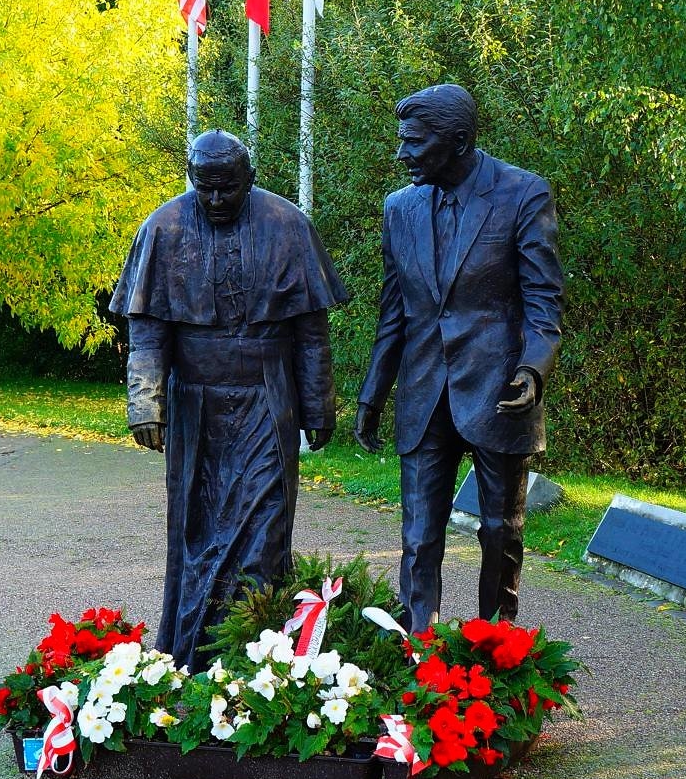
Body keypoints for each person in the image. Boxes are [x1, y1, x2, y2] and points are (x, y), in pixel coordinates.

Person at [109, 132, 348, 668]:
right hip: (196, 402)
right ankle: (195, 652)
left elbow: (311, 332)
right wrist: (146, 403)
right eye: (205, 188)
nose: (215, 200)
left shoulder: (287, 225)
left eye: (228, 189)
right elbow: (146, 332)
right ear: (192, 179)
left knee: (264, 524)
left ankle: (259, 656)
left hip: (267, 396)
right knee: (198, 528)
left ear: (249, 179)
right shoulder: (164, 227)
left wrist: (317, 406)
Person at [354, 85, 564, 630]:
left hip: (499, 390)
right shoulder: (399, 208)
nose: (402, 155)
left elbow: (544, 303)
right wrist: (372, 395)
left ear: (461, 141)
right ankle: (418, 644)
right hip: (424, 390)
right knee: (419, 529)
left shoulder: (522, 194)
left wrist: (532, 369)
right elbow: (394, 312)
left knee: (500, 528)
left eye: (415, 144)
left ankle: (496, 642)